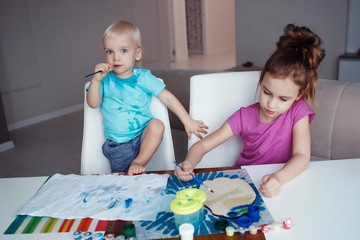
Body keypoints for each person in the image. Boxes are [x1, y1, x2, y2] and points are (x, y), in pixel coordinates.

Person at [174, 24, 325, 198]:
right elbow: (202, 146)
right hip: (244, 183)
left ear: (299, 94)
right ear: (261, 81)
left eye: (283, 99)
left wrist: (279, 178)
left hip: (283, 182)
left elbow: (302, 155)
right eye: (267, 92)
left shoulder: (299, 113)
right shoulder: (243, 116)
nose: (271, 105)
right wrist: (188, 163)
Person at [87, 20, 208, 175]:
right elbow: (93, 103)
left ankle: (138, 162)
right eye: (109, 51)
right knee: (123, 181)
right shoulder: (104, 80)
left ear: (137, 53)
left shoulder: (143, 77)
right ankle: (132, 172)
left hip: (143, 136)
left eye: (123, 51)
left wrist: (187, 120)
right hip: (118, 144)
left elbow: (168, 98)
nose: (116, 57)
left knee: (157, 125)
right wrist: (95, 81)